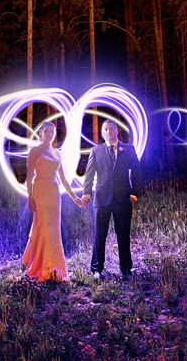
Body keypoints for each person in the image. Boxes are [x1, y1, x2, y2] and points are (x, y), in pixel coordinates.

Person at [22, 121, 85, 282]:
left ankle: (55, 266)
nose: (49, 134)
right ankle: (40, 264)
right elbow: (29, 176)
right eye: (46, 131)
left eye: (52, 131)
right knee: (41, 226)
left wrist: (75, 197)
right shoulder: (34, 151)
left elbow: (63, 178)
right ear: (41, 132)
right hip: (40, 189)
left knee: (53, 229)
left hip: (54, 192)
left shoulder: (57, 153)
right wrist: (30, 196)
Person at [82, 119, 143, 280]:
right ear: (103, 133)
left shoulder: (128, 149)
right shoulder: (96, 151)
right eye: (105, 130)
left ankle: (126, 269)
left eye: (111, 129)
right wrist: (87, 194)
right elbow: (89, 175)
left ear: (117, 131)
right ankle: (96, 269)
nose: (108, 132)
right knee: (99, 235)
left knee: (123, 234)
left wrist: (134, 192)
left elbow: (136, 171)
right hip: (101, 199)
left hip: (123, 198)